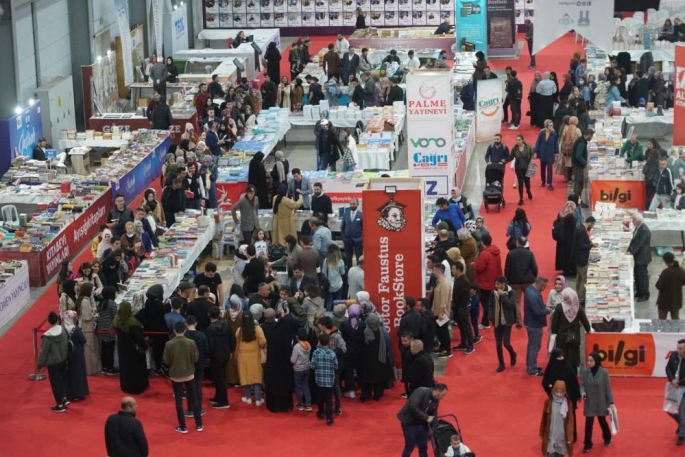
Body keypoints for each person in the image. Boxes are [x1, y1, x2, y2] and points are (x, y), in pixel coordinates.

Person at [163, 321, 203, 434]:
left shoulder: (169, 344)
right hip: (189, 374)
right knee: (194, 399)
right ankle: (199, 424)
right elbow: (195, 358)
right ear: (185, 330)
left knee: (179, 401)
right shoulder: (191, 342)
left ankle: (183, 426)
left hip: (175, 375)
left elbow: (166, 360)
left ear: (174, 331)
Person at [397, 384, 448, 457]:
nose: (443, 397)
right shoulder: (421, 391)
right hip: (409, 423)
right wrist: (426, 418)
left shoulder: (436, 400)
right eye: (443, 395)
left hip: (422, 424)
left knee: (423, 446)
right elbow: (413, 406)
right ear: (437, 391)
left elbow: (434, 415)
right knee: (410, 446)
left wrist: (435, 429)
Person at [580, 352, 614, 452]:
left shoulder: (604, 372)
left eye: (591, 361)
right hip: (590, 401)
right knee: (588, 423)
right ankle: (587, 444)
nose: (589, 363)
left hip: (601, 402)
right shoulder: (586, 372)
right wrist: (582, 392)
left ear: (597, 361)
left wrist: (611, 402)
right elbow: (582, 385)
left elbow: (608, 388)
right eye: (588, 360)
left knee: (602, 421)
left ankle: (607, 437)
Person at [551, 288, 591, 370]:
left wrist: (554, 333)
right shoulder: (578, 308)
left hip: (562, 336)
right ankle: (573, 373)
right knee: (573, 355)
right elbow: (585, 321)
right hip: (574, 336)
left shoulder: (559, 307)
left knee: (562, 354)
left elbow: (554, 323)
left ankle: (562, 371)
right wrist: (588, 330)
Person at [113, 302, 149, 394]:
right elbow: (138, 337)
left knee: (125, 367)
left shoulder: (116, 320)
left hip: (122, 347)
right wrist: (145, 346)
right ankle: (137, 387)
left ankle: (126, 385)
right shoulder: (131, 322)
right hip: (133, 349)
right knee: (136, 368)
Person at [37, 311, 69, 412]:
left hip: (53, 363)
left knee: (55, 383)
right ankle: (64, 398)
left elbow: (44, 352)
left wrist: (40, 364)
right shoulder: (63, 330)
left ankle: (59, 405)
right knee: (62, 380)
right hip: (63, 360)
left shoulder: (47, 336)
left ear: (49, 321)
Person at [504, 236, 538, 328]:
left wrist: (507, 280)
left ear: (517, 243)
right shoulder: (530, 254)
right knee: (530, 300)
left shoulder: (511, 254)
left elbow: (507, 269)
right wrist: (534, 277)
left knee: (516, 301)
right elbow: (534, 268)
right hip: (528, 281)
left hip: (515, 281)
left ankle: (519, 322)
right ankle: (531, 319)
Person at [206, 306, 234, 410]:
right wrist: (231, 350)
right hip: (226, 354)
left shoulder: (210, 328)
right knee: (220, 377)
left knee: (219, 379)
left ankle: (224, 400)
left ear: (209, 315)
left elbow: (211, 344)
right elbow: (232, 338)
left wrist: (208, 355)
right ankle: (218, 397)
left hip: (216, 356)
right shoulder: (226, 324)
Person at [236, 311, 267, 406]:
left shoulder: (239, 330)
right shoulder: (257, 329)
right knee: (257, 377)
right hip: (255, 356)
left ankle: (248, 398)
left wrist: (235, 356)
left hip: (242, 356)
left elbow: (236, 344)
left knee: (245, 376)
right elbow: (263, 342)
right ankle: (258, 399)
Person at [473, 234, 502, 328]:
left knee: (485, 303)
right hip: (493, 280)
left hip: (485, 281)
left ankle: (485, 322)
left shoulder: (484, 253)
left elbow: (480, 267)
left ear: (482, 242)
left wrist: (474, 265)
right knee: (490, 302)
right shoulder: (495, 252)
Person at [540, 380, 576, 457]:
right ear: (553, 390)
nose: (559, 394)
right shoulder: (548, 402)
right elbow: (544, 418)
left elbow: (570, 421)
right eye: (557, 392)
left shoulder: (567, 403)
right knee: (550, 454)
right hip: (551, 434)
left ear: (564, 392)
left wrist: (569, 437)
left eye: (561, 392)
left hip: (561, 436)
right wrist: (542, 431)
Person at [489, 276, 517, 372]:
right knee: (498, 344)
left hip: (507, 322)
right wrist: (491, 317)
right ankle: (501, 364)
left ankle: (513, 354)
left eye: (498, 284)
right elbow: (490, 305)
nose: (496, 286)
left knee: (506, 343)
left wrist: (503, 296)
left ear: (503, 283)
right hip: (497, 322)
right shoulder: (493, 293)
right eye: (495, 284)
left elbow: (510, 305)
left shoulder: (511, 292)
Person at [524, 278, 551, 376]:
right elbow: (537, 311)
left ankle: (530, 364)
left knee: (531, 345)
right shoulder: (533, 295)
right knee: (535, 346)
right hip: (534, 324)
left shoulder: (530, 290)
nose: (544, 289)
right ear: (540, 284)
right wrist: (548, 310)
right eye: (544, 287)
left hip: (530, 322)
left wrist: (544, 306)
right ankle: (532, 369)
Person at [311, 332, 338, 425]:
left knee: (320, 397)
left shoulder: (316, 352)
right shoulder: (332, 353)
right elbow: (336, 366)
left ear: (319, 341)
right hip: (330, 380)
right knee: (329, 399)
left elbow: (312, 365)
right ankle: (329, 418)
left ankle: (321, 413)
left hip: (319, 379)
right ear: (329, 342)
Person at [571, 216, 596, 305]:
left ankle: (577, 295)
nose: (592, 227)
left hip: (577, 258)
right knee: (583, 279)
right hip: (582, 259)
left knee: (579, 277)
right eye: (592, 225)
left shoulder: (579, 228)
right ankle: (581, 299)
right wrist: (591, 245)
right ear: (591, 222)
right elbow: (581, 246)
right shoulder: (581, 231)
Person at [627, 212, 652, 302]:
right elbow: (633, 240)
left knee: (642, 277)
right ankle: (639, 291)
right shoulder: (638, 228)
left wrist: (631, 252)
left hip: (642, 257)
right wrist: (628, 249)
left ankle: (645, 294)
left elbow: (640, 245)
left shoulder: (644, 230)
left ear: (638, 221)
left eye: (633, 220)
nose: (632, 221)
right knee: (637, 275)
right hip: (637, 257)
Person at [451, 263, 475, 354]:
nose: (452, 271)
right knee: (461, 326)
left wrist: (460, 306)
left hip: (462, 307)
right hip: (459, 306)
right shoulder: (459, 279)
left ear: (459, 270)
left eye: (453, 269)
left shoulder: (464, 281)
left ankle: (470, 345)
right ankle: (463, 343)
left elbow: (464, 296)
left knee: (466, 326)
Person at [666, 339, 685, 446]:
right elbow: (668, 368)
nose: (677, 350)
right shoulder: (673, 355)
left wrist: (679, 382)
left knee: (682, 413)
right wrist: (672, 379)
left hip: (683, 388)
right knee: (669, 410)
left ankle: (681, 434)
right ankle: (683, 425)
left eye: (680, 349)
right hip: (673, 387)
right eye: (677, 347)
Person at [655, 252, 685, 320]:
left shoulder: (665, 272)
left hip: (664, 301)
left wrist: (660, 277)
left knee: (662, 321)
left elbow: (659, 286)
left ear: (665, 261)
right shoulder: (681, 270)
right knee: (675, 319)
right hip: (676, 300)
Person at [431, 264, 452, 359]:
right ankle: (442, 348)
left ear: (438, 271)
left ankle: (447, 351)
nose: (433, 272)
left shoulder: (444, 284)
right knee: (439, 332)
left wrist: (441, 313)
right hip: (436, 312)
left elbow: (443, 301)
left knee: (443, 333)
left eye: (434, 270)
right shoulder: (438, 282)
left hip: (441, 313)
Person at [535, 119, 559, 190]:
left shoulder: (554, 134)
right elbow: (538, 142)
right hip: (542, 153)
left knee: (549, 169)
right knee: (542, 168)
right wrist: (536, 151)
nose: (551, 127)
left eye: (552, 125)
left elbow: (556, 144)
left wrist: (556, 153)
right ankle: (543, 180)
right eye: (549, 125)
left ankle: (549, 183)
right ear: (546, 126)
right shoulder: (542, 133)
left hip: (550, 154)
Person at [572, 128, 594, 208]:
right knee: (579, 183)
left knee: (579, 183)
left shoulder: (581, 140)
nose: (591, 138)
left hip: (578, 165)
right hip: (578, 166)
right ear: (588, 135)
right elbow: (578, 155)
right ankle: (577, 202)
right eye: (591, 136)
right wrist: (585, 163)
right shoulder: (581, 142)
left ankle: (576, 200)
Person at [511, 134, 534, 205]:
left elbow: (531, 155)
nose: (517, 141)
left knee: (527, 182)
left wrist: (532, 161)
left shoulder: (528, 147)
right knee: (520, 183)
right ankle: (521, 198)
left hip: (527, 167)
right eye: (516, 140)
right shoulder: (515, 148)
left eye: (519, 140)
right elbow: (511, 156)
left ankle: (528, 191)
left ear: (522, 140)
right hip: (518, 168)